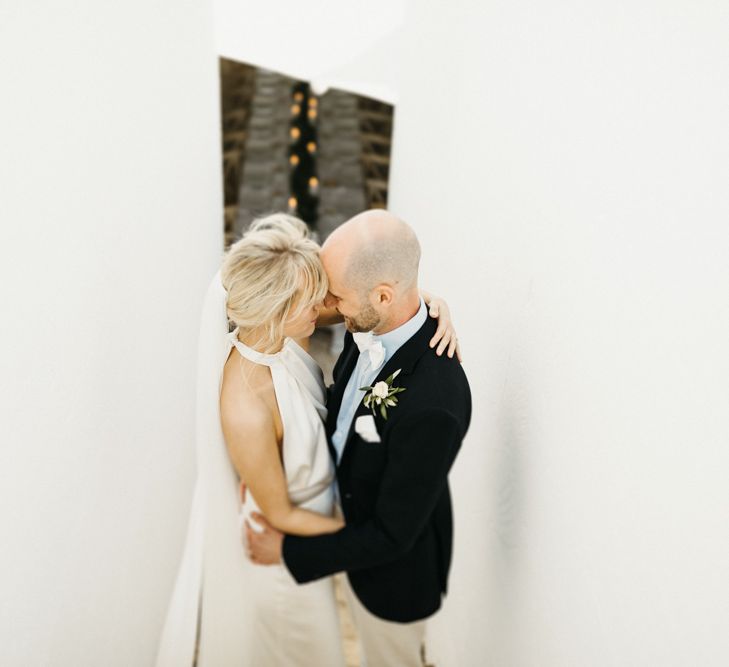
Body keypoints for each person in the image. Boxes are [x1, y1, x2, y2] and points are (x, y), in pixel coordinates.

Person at [155, 213, 459, 666]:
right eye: (313, 301)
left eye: (325, 296)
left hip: (344, 547)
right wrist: (348, 542)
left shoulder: (285, 330)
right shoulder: (246, 403)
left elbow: (379, 303)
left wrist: (430, 304)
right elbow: (278, 511)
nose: (324, 308)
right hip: (285, 550)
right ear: (278, 311)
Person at [247, 209, 472, 667]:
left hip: (393, 583)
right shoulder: (372, 319)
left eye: (337, 296)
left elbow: (392, 536)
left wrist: (289, 551)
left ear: (384, 296)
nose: (327, 304)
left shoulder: (435, 404)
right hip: (347, 519)